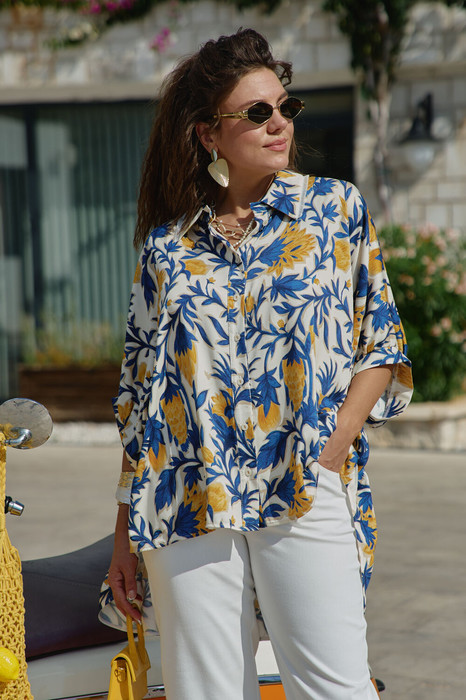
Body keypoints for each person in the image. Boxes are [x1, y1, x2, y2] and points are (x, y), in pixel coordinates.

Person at [101, 28, 413, 700]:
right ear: (209, 134)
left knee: (335, 687)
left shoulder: (333, 210)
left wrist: (332, 446)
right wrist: (123, 533)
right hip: (184, 492)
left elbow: (382, 346)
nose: (279, 123)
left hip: (303, 478)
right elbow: (139, 399)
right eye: (257, 112)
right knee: (206, 691)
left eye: (285, 107)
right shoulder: (167, 248)